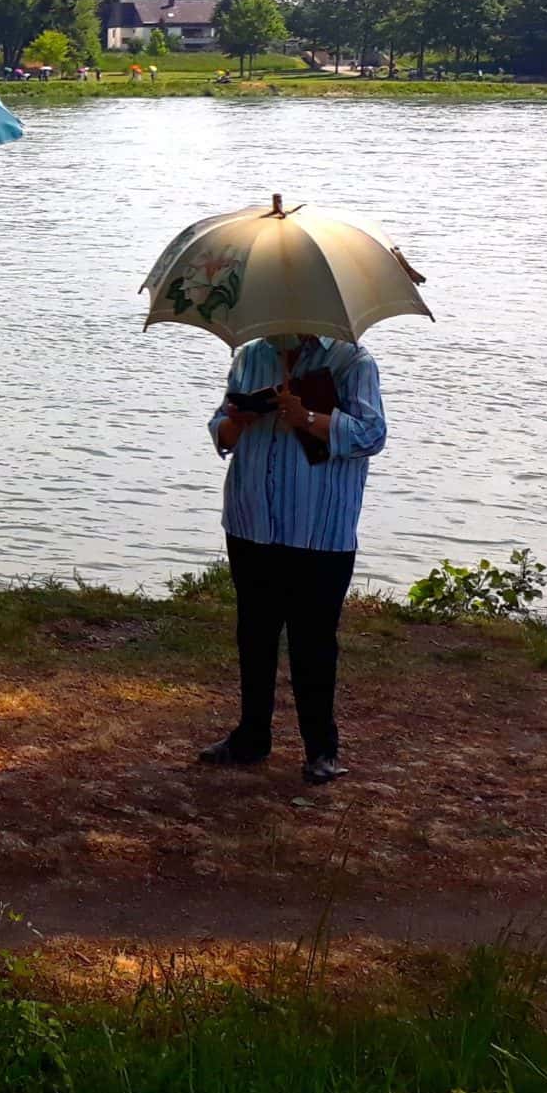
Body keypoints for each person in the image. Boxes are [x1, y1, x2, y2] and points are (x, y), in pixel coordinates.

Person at [198, 330, 388, 784]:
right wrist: (238, 419)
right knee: (255, 633)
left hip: (319, 527)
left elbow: (372, 434)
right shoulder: (249, 357)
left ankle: (321, 750)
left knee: (314, 642)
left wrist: (307, 417)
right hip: (252, 522)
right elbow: (220, 431)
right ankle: (251, 737)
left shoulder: (352, 361)